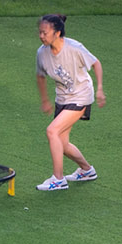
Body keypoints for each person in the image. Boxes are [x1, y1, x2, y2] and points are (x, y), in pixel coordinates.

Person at [33, 13, 105, 191]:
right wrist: (45, 100)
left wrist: (100, 89)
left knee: (52, 131)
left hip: (81, 96)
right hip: (62, 98)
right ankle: (87, 170)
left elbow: (96, 63)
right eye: (40, 32)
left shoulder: (74, 48)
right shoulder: (42, 53)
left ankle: (58, 179)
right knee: (62, 144)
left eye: (45, 33)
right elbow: (40, 76)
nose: (41, 36)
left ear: (57, 33)